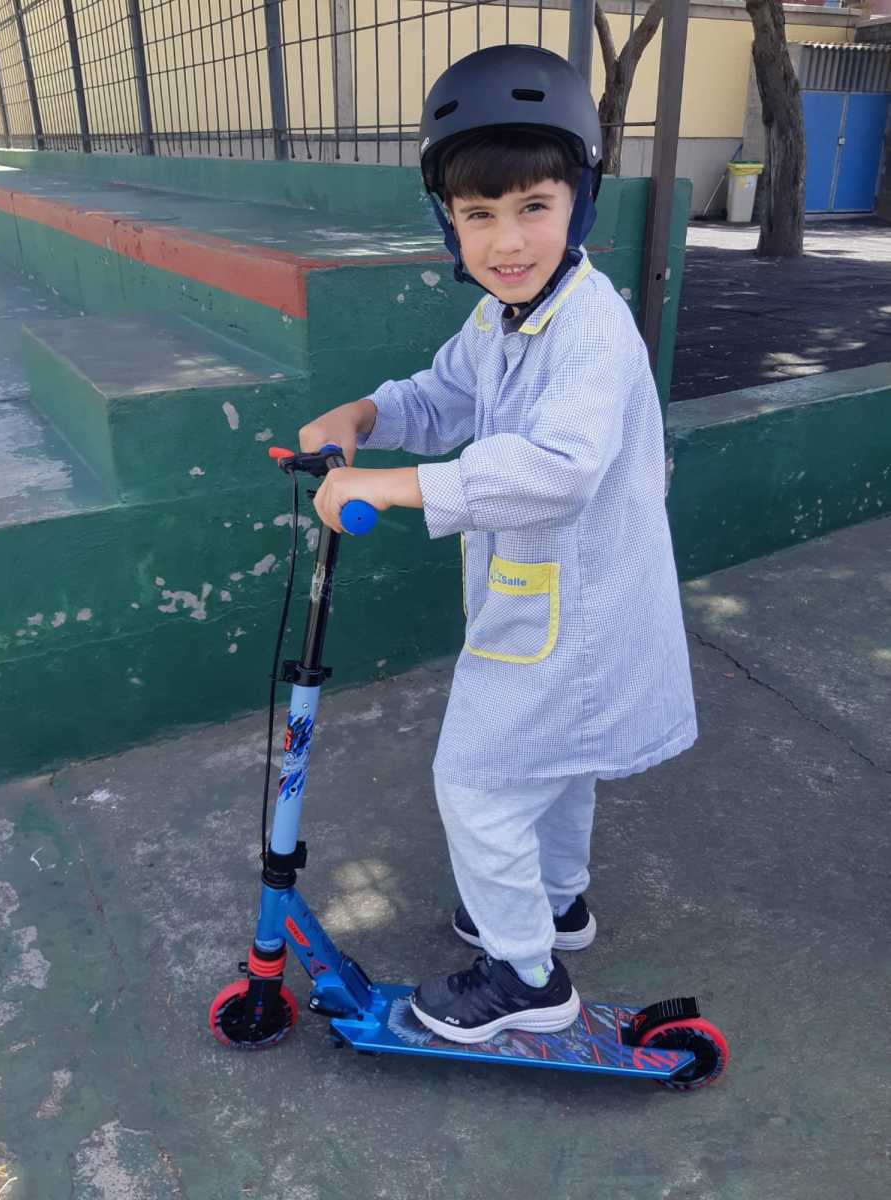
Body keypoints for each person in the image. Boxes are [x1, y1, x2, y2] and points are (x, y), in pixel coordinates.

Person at [298, 45, 697, 1045]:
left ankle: (525, 976)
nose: (507, 240)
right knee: (553, 765)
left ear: (579, 204)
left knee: (477, 778)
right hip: (546, 598)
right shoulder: (503, 316)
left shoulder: (591, 329)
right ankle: (553, 903)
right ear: (449, 222)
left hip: (581, 610)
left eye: (533, 206)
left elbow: (556, 468)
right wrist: (364, 416)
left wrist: (389, 486)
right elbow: (441, 395)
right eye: (478, 214)